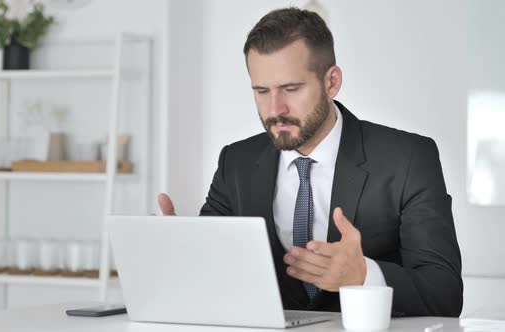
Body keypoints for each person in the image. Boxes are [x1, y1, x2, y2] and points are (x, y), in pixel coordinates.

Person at [158, 7, 463, 317]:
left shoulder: (407, 158)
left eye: (291, 89)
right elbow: (213, 270)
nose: (275, 108)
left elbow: (445, 293)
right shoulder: (234, 163)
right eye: (262, 91)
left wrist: (363, 276)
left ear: (332, 82)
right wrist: (184, 253)